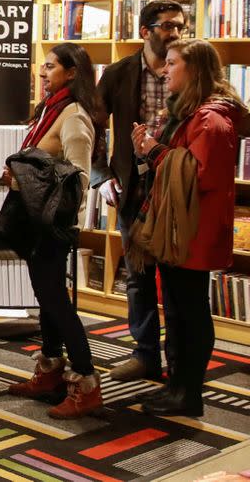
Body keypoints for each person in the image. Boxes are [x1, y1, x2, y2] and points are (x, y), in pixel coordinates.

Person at [131, 39, 247, 417]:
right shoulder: (189, 113)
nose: (165, 71)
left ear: (194, 69)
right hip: (180, 227)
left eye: (172, 63)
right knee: (177, 311)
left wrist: (152, 149)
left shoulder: (210, 120)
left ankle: (188, 393)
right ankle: (177, 386)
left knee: (190, 312)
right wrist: (149, 149)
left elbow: (198, 175)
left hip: (192, 230)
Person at [5, 42, 105, 419]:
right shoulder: (50, 109)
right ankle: (50, 371)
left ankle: (87, 383)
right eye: (42, 66)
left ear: (72, 72)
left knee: (58, 305)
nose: (42, 72)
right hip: (37, 220)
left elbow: (76, 179)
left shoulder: (74, 115)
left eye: (50, 67)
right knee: (47, 299)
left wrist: (62, 222)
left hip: (53, 225)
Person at [93, 0, 186, 383]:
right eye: (167, 26)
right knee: (138, 276)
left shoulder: (190, 69)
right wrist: (100, 176)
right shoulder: (117, 74)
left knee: (179, 279)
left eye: (180, 26)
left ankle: (180, 364)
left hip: (178, 186)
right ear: (145, 31)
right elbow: (93, 128)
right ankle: (145, 354)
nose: (176, 33)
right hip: (133, 187)